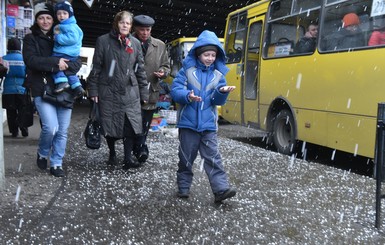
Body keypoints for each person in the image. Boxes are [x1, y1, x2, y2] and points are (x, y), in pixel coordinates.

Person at [170, 30, 237, 203]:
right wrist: (187, 96)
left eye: (213, 55)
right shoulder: (187, 71)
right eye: (206, 54)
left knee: (213, 158)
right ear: (199, 53)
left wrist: (222, 92)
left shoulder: (218, 75)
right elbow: (175, 91)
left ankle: (221, 190)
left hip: (208, 126)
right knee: (186, 158)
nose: (209, 58)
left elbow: (217, 101)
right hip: (188, 125)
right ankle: (183, 188)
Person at [23, 2, 81, 177]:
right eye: (41, 18)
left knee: (62, 130)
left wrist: (68, 65)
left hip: (64, 89)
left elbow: (76, 62)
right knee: (51, 127)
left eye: (49, 17)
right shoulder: (30, 38)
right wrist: (56, 63)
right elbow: (31, 61)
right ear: (36, 20)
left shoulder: (62, 33)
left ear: (54, 18)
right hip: (42, 88)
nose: (46, 21)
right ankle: (42, 152)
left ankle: (56, 163)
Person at [87, 11, 149, 170]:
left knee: (129, 125)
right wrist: (93, 91)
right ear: (116, 24)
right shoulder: (103, 41)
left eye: (128, 23)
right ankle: (112, 152)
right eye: (122, 22)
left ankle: (127, 159)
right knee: (111, 126)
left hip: (129, 91)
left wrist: (144, 93)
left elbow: (140, 70)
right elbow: (97, 68)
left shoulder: (135, 43)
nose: (125, 26)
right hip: (109, 90)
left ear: (131, 26)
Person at [132, 14, 170, 164]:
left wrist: (163, 72)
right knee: (132, 122)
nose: (145, 33)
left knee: (145, 123)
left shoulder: (159, 45)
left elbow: (166, 66)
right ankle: (137, 148)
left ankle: (140, 148)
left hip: (150, 90)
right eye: (142, 30)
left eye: (148, 30)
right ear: (135, 28)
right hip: (131, 91)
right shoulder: (128, 41)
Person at [51, 1, 85, 98]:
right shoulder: (70, 25)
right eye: (59, 13)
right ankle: (77, 87)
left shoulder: (69, 26)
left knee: (54, 64)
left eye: (65, 13)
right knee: (69, 72)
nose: (61, 16)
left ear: (70, 14)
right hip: (70, 54)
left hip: (64, 53)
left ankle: (62, 82)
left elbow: (72, 38)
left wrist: (58, 38)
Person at [2, 38, 29, 137]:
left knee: (11, 111)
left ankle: (14, 131)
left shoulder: (3, 59)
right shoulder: (24, 59)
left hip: (8, 90)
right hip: (22, 89)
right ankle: (24, 127)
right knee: (23, 109)